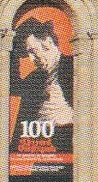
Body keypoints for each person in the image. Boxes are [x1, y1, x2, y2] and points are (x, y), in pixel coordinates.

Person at [10, 17, 75, 154]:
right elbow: (13, 87)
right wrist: (13, 54)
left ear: (47, 41)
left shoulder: (73, 66)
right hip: (41, 147)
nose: (32, 59)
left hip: (68, 143)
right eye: (28, 54)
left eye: (33, 51)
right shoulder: (37, 76)